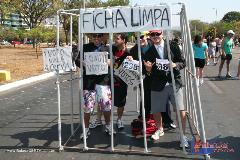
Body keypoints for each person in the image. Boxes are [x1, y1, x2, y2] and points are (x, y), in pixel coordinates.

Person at [144, 30, 188, 147]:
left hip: (174, 83)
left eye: (157, 34)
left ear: (162, 34)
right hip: (157, 84)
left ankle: (183, 136)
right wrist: (148, 70)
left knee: (180, 109)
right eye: (152, 35)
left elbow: (183, 62)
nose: (155, 37)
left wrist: (175, 65)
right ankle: (160, 129)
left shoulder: (173, 46)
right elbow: (147, 71)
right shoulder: (148, 51)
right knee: (156, 109)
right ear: (150, 37)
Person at [74, 33, 114, 138]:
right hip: (89, 82)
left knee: (106, 105)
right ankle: (86, 129)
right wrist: (82, 63)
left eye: (98, 36)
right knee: (87, 107)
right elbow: (77, 60)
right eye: (94, 37)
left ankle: (108, 125)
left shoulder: (108, 48)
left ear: (102, 38)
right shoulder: (85, 47)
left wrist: (110, 62)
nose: (96, 38)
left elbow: (114, 61)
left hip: (103, 81)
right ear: (91, 38)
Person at [113, 33, 130, 130]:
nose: (115, 40)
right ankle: (101, 120)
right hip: (110, 79)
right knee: (105, 100)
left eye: (117, 38)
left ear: (123, 40)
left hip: (122, 81)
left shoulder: (128, 53)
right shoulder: (112, 49)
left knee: (121, 102)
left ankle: (119, 119)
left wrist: (131, 60)